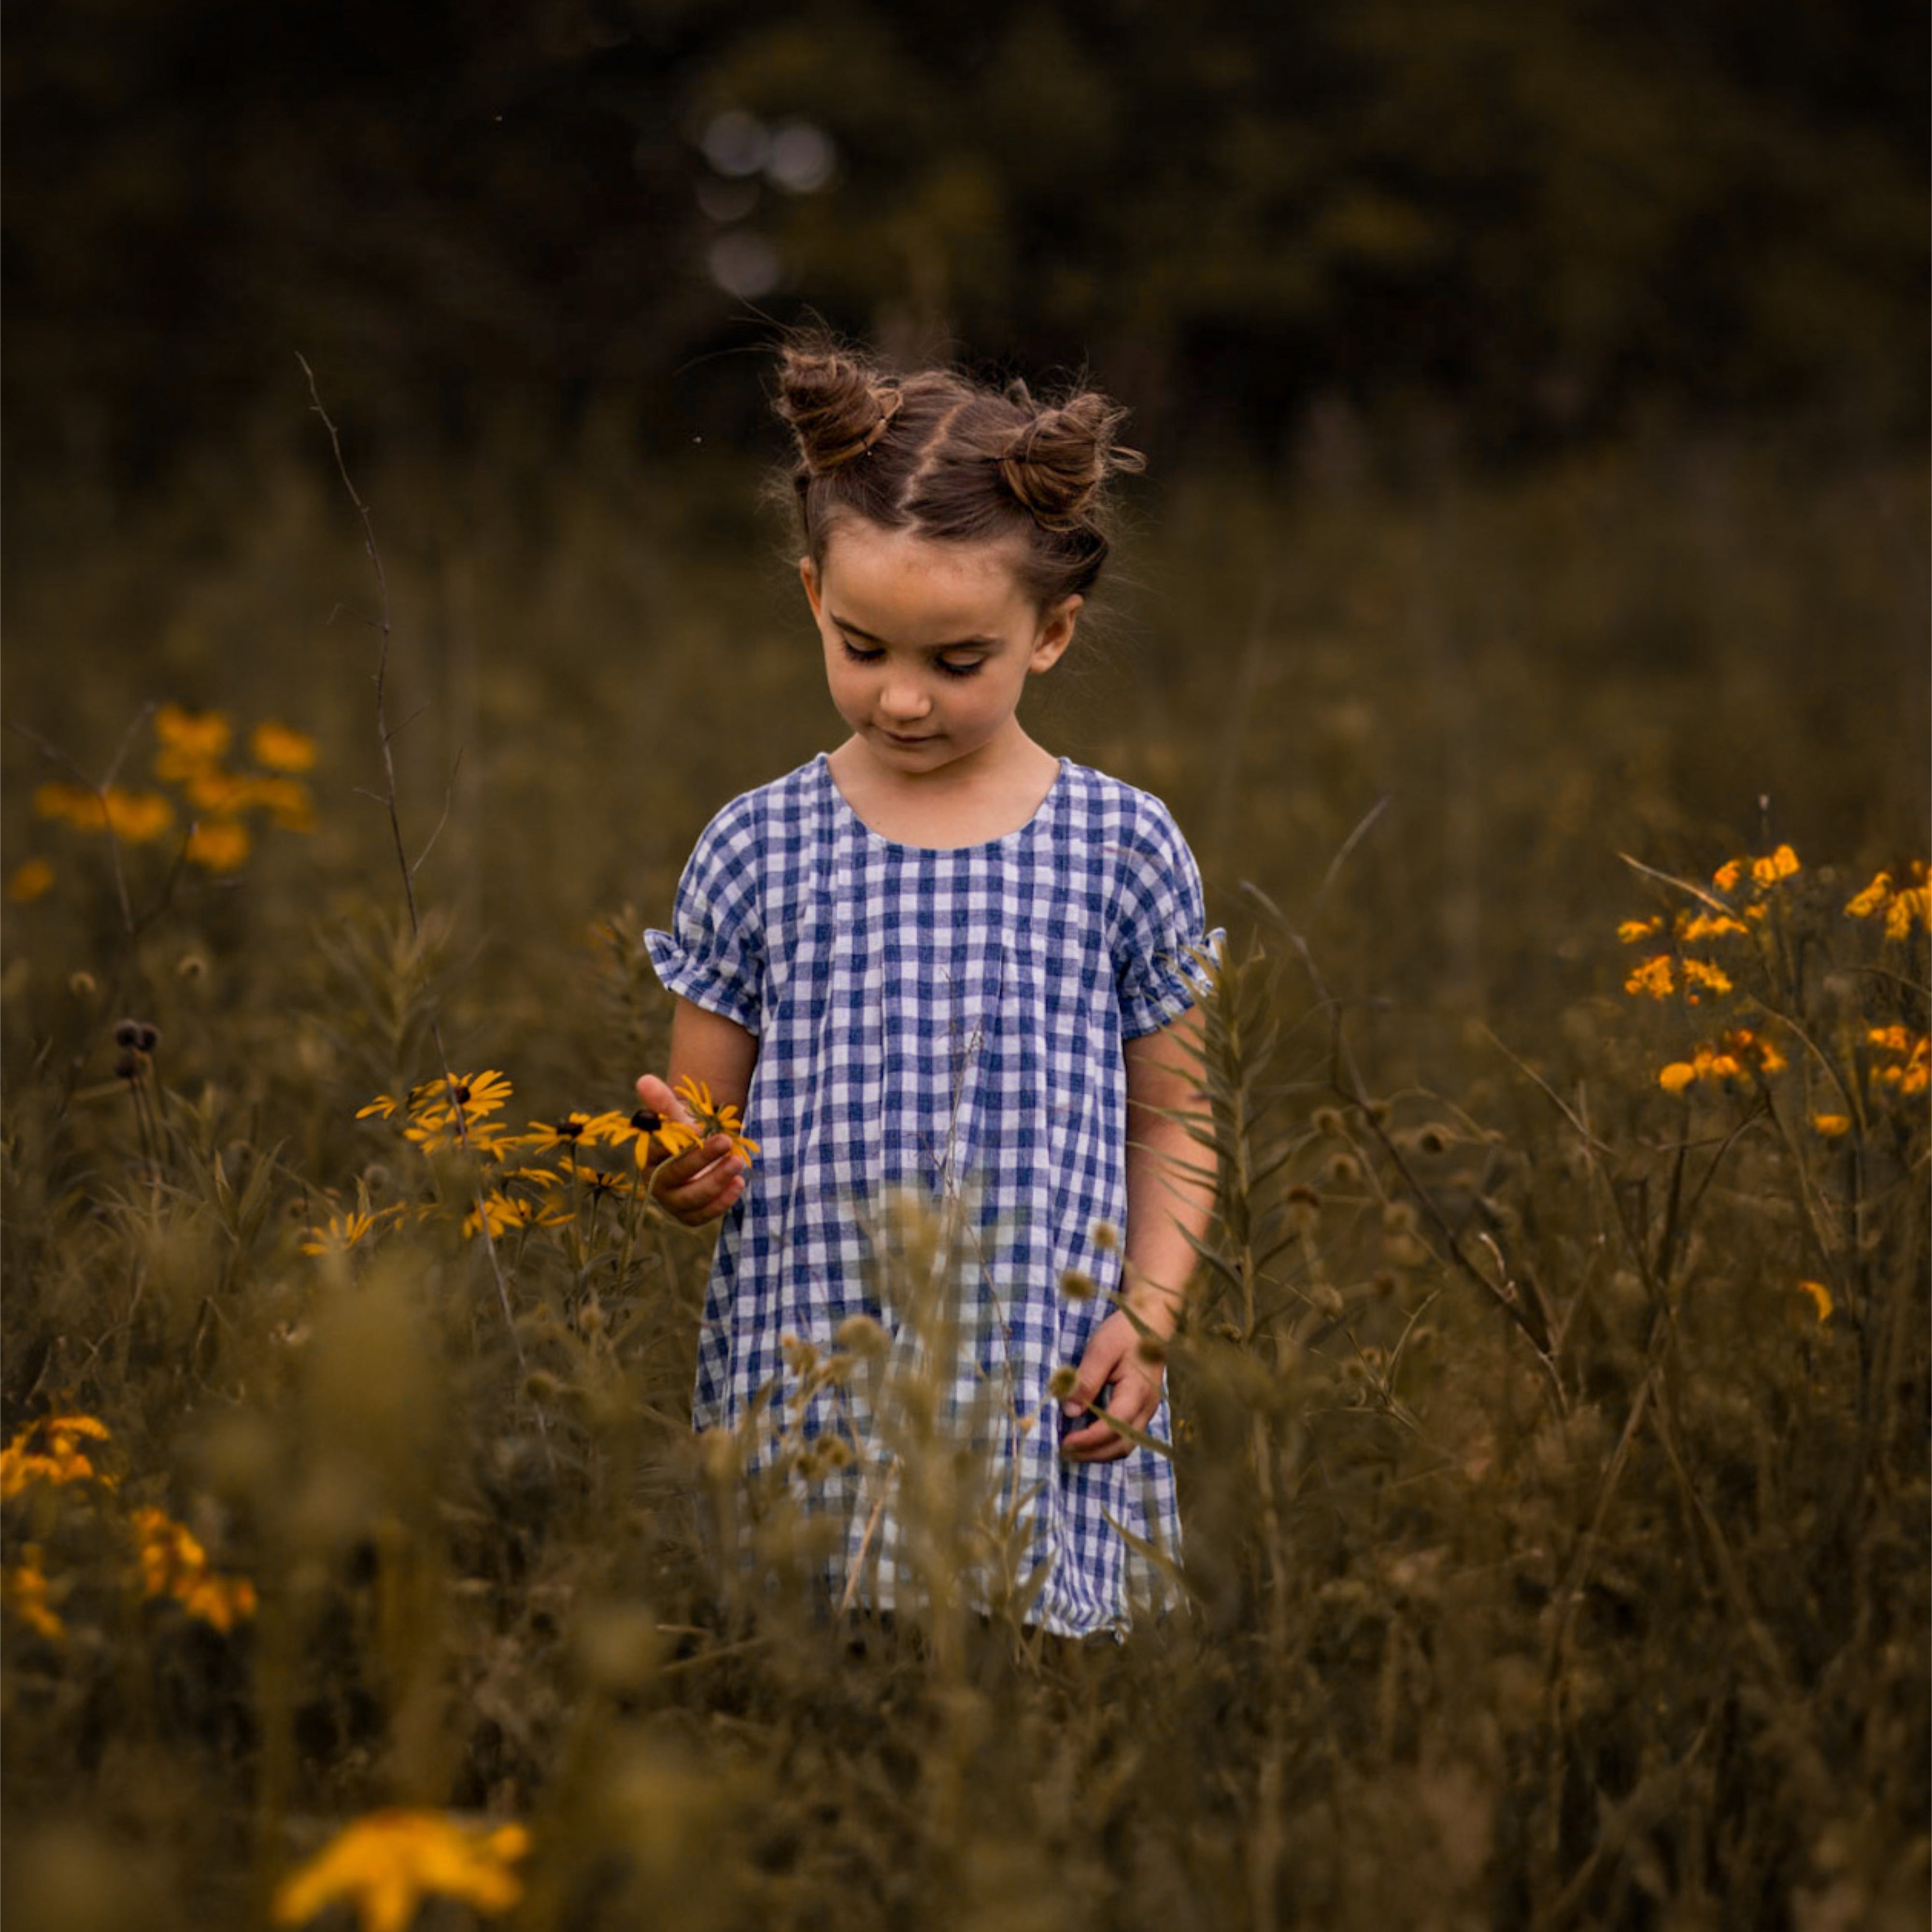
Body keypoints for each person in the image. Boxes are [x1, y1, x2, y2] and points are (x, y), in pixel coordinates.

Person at [635, 337, 1221, 1638]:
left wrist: (1150, 1314)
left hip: (1037, 1387)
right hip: (814, 1386)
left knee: (1031, 1732)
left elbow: (1173, 1124)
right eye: (862, 648)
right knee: (813, 1719)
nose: (902, 700)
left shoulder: (1121, 845)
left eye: (958, 662)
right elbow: (695, 1126)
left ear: (1051, 632)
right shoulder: (756, 845)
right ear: (811, 600)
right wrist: (676, 1168)